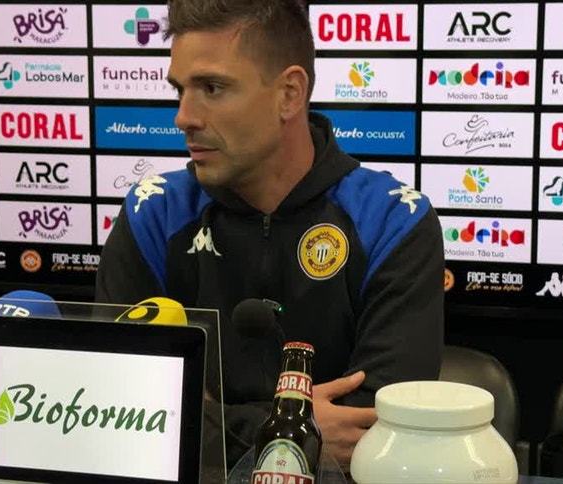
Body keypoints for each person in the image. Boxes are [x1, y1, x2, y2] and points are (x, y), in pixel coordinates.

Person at [95, 0, 445, 471]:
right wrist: (291, 430)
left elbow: (373, 430)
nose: (184, 116)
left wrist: (200, 413)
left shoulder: (393, 222)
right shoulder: (153, 214)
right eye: (180, 89)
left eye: (212, 88)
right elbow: (117, 413)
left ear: (289, 94)